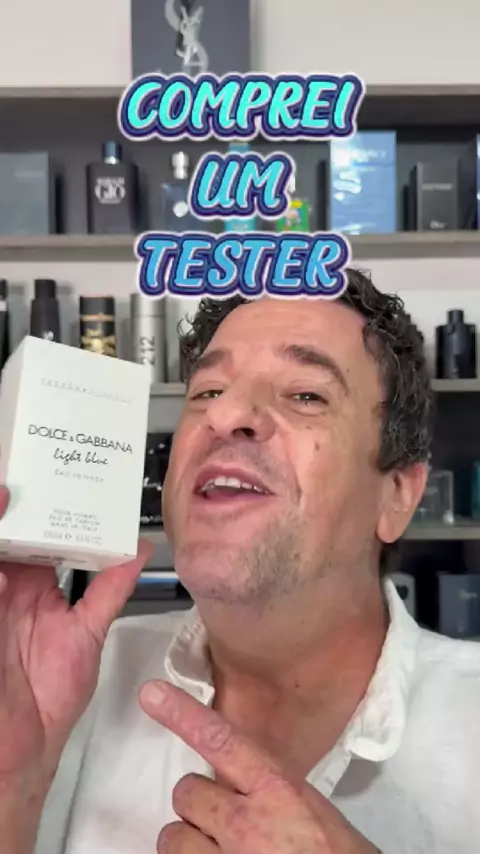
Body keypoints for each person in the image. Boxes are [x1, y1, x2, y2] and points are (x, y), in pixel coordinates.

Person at [1, 269, 479, 854]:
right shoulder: (71, 683)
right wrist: (12, 790)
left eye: (306, 395)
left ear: (398, 495)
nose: (224, 415)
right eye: (207, 391)